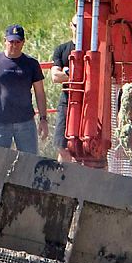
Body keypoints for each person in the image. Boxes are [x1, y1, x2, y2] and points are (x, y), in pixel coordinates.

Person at [0, 24, 48, 154]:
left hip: (25, 122)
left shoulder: (31, 63)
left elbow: (40, 92)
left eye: (17, 42)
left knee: (29, 162)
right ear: (4, 41)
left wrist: (43, 119)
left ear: (23, 43)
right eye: (11, 41)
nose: (14, 45)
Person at [49, 16, 77, 162]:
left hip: (88, 102)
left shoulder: (94, 49)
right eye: (76, 25)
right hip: (66, 100)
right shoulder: (61, 49)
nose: (78, 29)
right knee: (62, 146)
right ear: (70, 26)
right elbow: (55, 77)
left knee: (89, 148)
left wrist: (67, 72)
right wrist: (76, 75)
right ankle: (61, 182)